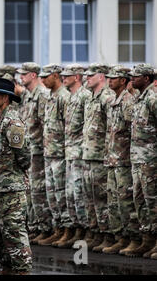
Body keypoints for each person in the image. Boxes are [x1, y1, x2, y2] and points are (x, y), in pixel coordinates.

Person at [0, 77, 32, 275]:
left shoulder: (12, 122)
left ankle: (23, 270)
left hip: (11, 187)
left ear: (6, 97)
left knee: (14, 231)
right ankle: (8, 267)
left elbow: (24, 156)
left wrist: (12, 174)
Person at [102, 65, 140, 255]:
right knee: (113, 201)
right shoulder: (112, 100)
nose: (109, 80)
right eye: (108, 77)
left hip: (124, 160)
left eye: (114, 78)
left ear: (123, 80)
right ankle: (120, 237)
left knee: (126, 202)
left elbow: (133, 131)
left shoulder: (128, 101)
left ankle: (134, 238)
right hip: (112, 159)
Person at [17, 62, 53, 244]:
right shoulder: (28, 96)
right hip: (29, 150)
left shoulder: (43, 95)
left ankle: (45, 228)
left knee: (39, 190)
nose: (20, 77)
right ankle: (36, 226)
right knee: (31, 191)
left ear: (33, 75)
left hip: (38, 150)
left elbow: (45, 124)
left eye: (24, 74)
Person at [82, 63, 116, 251]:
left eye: (91, 75)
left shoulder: (107, 97)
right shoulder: (91, 98)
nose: (87, 77)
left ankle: (107, 235)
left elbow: (111, 128)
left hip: (100, 156)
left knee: (102, 197)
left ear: (101, 76)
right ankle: (95, 232)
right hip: (88, 154)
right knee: (91, 197)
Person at [59, 64, 92, 248]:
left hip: (80, 152)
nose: (64, 78)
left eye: (68, 75)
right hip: (69, 152)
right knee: (70, 194)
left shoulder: (85, 96)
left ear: (77, 77)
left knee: (80, 193)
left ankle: (85, 231)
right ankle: (75, 229)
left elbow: (87, 125)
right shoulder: (70, 97)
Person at [38, 64, 71, 246]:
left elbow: (68, 126)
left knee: (61, 192)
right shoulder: (50, 96)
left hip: (60, 153)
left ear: (56, 76)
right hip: (49, 151)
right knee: (52, 194)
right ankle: (57, 228)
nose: (42, 80)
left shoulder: (64, 97)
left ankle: (67, 230)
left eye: (46, 77)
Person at [126, 64, 156, 258]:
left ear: (146, 78)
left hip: (151, 160)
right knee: (140, 200)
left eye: (136, 77)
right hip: (138, 159)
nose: (132, 79)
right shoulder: (139, 99)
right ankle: (147, 239)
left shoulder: (153, 99)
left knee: (153, 201)